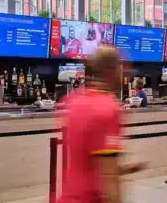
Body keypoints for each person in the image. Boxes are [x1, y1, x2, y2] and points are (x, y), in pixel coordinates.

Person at [58, 46, 145, 203]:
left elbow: (91, 160)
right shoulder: (107, 108)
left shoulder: (74, 101)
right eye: (122, 67)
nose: (124, 73)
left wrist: (125, 168)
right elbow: (109, 178)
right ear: (112, 70)